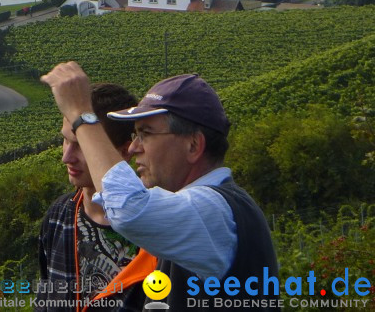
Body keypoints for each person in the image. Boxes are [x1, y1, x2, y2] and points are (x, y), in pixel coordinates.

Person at [40, 64, 278, 307]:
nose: (134, 148)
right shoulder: (217, 208)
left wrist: (82, 115)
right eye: (135, 135)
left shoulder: (214, 210)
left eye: (146, 134)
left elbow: (127, 209)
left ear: (193, 146)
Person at [34, 82, 157, 312]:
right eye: (65, 141)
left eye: (81, 146)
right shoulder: (58, 217)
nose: (67, 157)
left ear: (124, 151)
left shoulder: (154, 228)